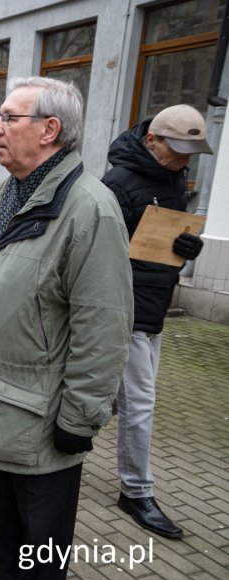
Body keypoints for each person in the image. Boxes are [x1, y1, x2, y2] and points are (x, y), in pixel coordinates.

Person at [0, 77, 133, 580]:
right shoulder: (9, 191)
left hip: (44, 417)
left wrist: (80, 417)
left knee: (42, 541)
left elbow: (105, 326)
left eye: (9, 117)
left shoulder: (91, 208)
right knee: (2, 516)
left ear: (50, 130)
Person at [101, 104, 211, 540]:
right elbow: (98, 251)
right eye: (179, 149)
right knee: (140, 404)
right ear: (152, 140)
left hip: (154, 306)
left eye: (192, 151)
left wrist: (187, 247)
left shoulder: (171, 176)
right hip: (126, 311)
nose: (187, 159)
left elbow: (163, 241)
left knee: (118, 397)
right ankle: (136, 490)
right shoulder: (118, 182)